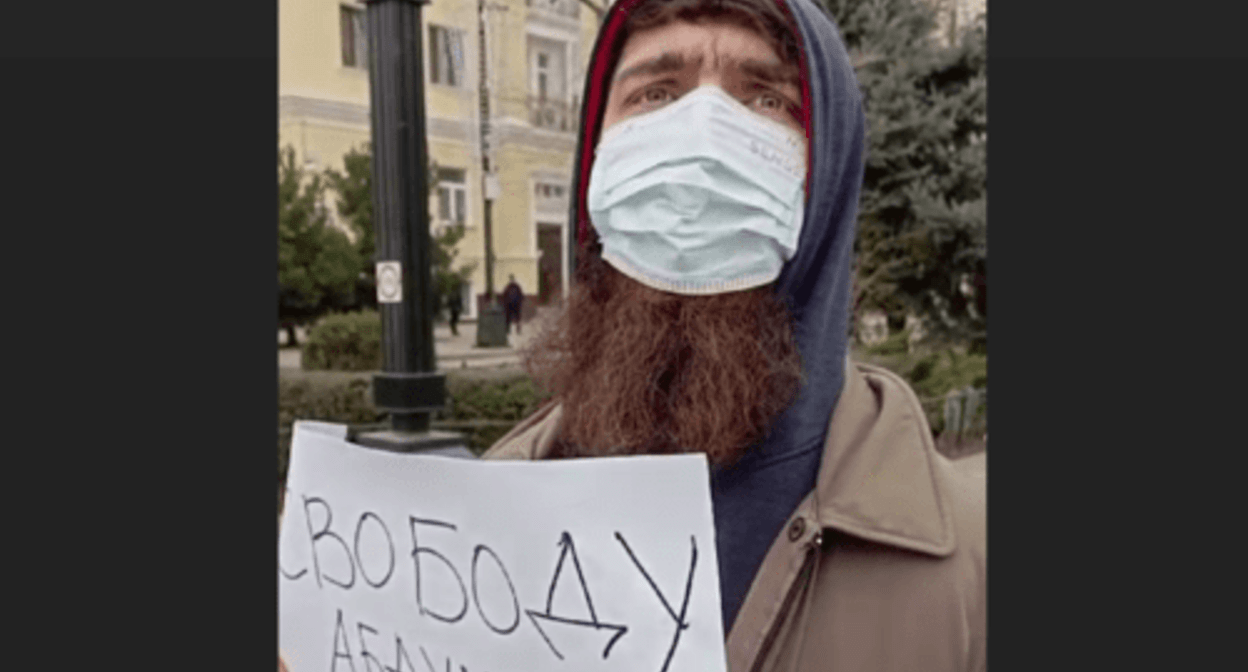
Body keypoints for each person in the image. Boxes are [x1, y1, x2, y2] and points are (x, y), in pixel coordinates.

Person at [281, 1, 984, 670]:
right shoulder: (490, 505)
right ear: (596, 158)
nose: (702, 137)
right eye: (656, 93)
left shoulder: (968, 567)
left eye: (768, 100)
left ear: (829, 174)